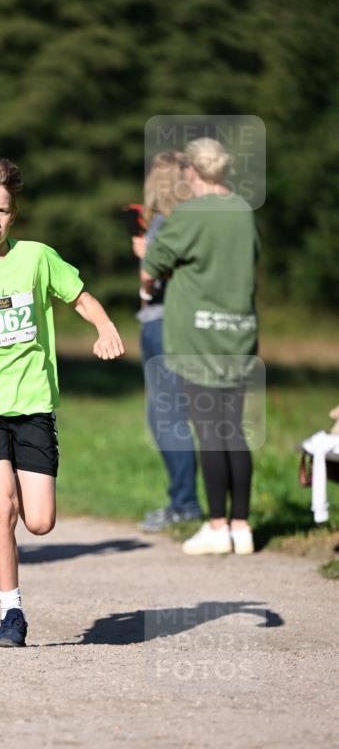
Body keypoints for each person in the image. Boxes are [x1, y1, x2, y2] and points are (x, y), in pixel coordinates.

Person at [0, 158, 125, 647]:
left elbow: (80, 298)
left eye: (3, 211)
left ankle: (14, 588)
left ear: (13, 214)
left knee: (40, 521)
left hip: (33, 401)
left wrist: (105, 326)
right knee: (1, 503)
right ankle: (11, 613)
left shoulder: (36, 258)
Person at [141, 138, 259, 555]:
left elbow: (152, 265)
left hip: (197, 337)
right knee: (233, 430)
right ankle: (241, 526)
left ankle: (216, 526)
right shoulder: (243, 210)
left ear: (192, 170)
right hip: (239, 333)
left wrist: (147, 285)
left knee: (209, 431)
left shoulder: (190, 213)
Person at [132, 151, 202, 532]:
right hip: (192, 325)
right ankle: (191, 501)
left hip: (162, 323)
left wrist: (145, 257)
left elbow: (154, 278)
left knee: (167, 415)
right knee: (189, 414)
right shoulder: (198, 223)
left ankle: (184, 503)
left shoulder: (164, 223)